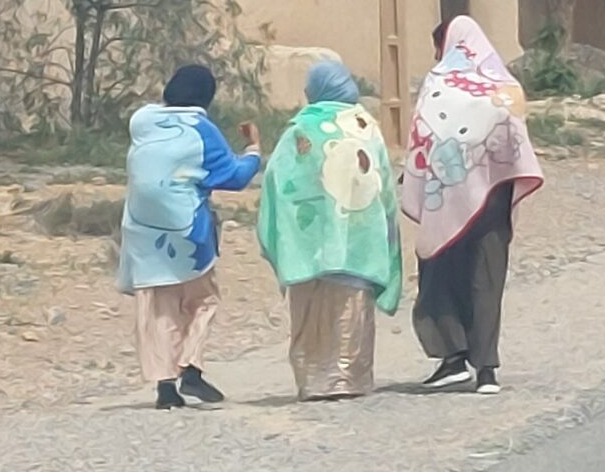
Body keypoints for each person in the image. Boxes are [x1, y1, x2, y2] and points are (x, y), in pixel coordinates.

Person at [403, 15, 544, 394]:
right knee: (486, 278)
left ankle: (452, 357)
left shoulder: (438, 83)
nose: (437, 56)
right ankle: (486, 370)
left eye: (438, 47)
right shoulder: (505, 85)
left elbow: (424, 134)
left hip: (446, 198)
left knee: (439, 271)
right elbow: (514, 140)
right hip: (494, 196)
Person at [117, 64, 262, 410]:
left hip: (142, 233)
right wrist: (254, 149)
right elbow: (233, 176)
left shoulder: (142, 121)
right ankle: (191, 366)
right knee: (203, 299)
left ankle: (165, 386)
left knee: (161, 307)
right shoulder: (201, 130)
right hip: (187, 233)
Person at [257, 61, 402, 401]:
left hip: (307, 245)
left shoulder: (299, 129)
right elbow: (382, 183)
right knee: (351, 309)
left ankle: (312, 382)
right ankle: (347, 380)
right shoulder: (366, 127)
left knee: (309, 312)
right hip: (357, 240)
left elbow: (276, 179)